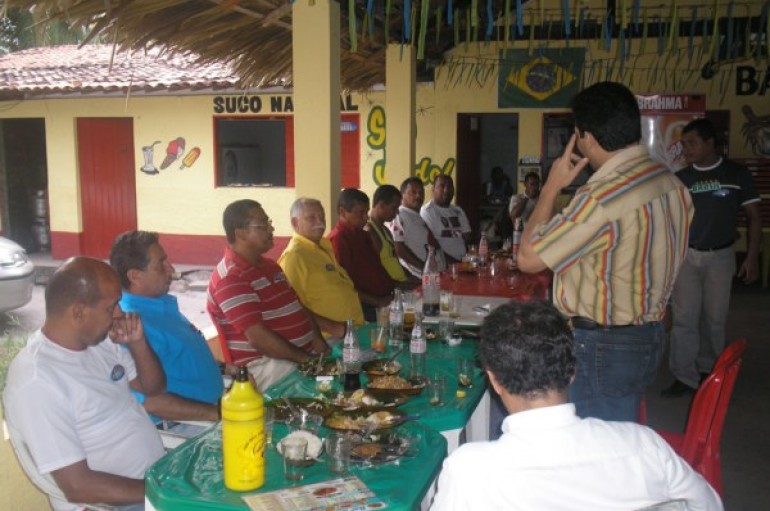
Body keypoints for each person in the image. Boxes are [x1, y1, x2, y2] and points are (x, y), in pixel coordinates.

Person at [430, 300, 723, 511]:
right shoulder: (644, 445)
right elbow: (708, 504)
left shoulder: (469, 471)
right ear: (572, 371)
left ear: (494, 380)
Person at [517, 81, 694, 422]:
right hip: (648, 335)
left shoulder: (601, 196)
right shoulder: (670, 182)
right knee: (615, 434)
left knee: (596, 452)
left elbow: (527, 258)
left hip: (603, 346)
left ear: (587, 139)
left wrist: (552, 185)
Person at [3, 257, 166, 511]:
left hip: (154, 482)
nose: (120, 314)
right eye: (111, 306)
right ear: (78, 312)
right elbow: (78, 486)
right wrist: (164, 492)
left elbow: (153, 388)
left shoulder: (99, 343)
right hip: (116, 504)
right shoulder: (37, 381)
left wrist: (138, 344)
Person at [662, 118, 762, 397]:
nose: (686, 150)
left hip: (721, 257)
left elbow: (754, 217)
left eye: (692, 143)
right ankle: (684, 375)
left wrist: (752, 258)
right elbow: (671, 222)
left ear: (710, 143)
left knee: (714, 318)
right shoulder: (681, 178)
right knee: (684, 318)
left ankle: (709, 373)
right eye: (683, 144)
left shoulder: (737, 174)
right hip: (687, 257)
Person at [207, 199, 333, 392]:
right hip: (264, 365)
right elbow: (259, 338)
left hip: (298, 355)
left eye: (269, 223)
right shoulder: (230, 278)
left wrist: (319, 344)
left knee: (347, 366)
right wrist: (307, 360)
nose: (271, 229)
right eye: (263, 224)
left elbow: (298, 308)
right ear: (240, 233)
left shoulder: (270, 265)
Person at [110, 230, 221, 422]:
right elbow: (152, 402)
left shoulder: (160, 305)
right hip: (187, 427)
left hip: (216, 408)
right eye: (160, 265)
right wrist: (220, 415)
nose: (171, 269)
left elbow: (185, 358)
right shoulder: (129, 325)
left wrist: (228, 370)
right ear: (135, 276)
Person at [278, 197, 365, 325]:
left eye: (322, 216)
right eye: (311, 218)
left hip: (352, 330)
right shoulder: (294, 256)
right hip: (329, 337)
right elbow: (292, 307)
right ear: (295, 223)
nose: (320, 222)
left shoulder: (324, 246)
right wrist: (329, 331)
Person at [328, 188, 395, 322]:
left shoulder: (362, 233)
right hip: (367, 306)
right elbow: (344, 284)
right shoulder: (339, 238)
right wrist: (378, 301)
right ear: (342, 212)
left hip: (386, 298)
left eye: (366, 212)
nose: (366, 218)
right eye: (361, 213)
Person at [366, 184, 421, 288]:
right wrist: (407, 285)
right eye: (394, 208)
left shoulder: (386, 230)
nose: (396, 213)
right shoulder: (370, 232)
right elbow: (375, 273)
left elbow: (396, 263)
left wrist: (415, 279)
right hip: (393, 288)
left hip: (402, 284)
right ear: (381, 205)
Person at [390, 177, 444, 278]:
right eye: (413, 192)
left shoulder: (418, 217)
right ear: (402, 195)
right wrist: (425, 268)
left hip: (436, 274)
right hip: (420, 277)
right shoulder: (399, 215)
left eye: (421, 192)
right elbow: (399, 249)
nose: (418, 195)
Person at [421, 174, 472, 263]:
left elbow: (467, 236)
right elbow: (432, 243)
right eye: (442, 186)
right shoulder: (427, 211)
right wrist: (453, 262)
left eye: (450, 186)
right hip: (441, 263)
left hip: (462, 261)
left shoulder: (458, 210)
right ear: (433, 190)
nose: (446, 190)